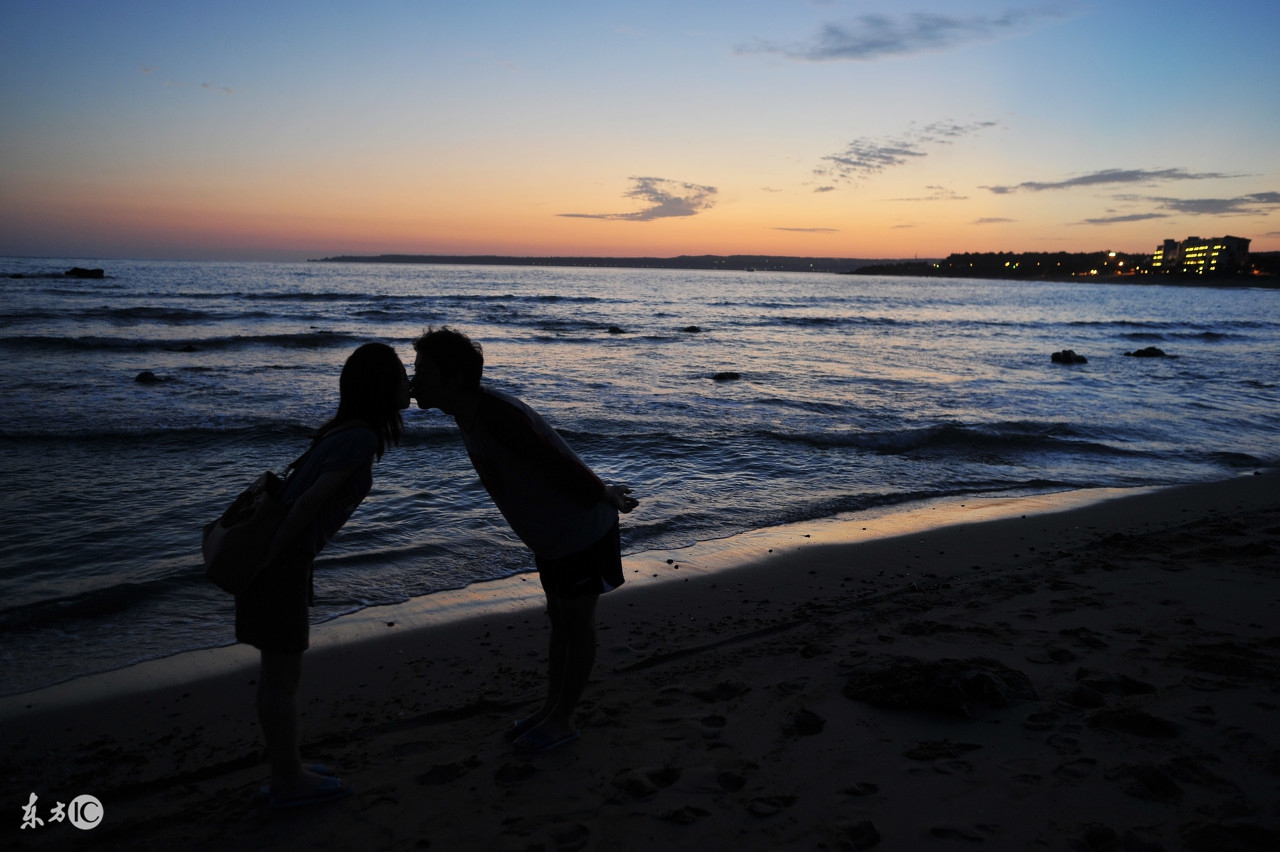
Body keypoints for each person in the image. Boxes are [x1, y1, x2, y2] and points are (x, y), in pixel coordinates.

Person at [411, 327, 638, 754]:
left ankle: (564, 720)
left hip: (580, 530)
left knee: (577, 625)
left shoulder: (496, 415)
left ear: (455, 378)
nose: (414, 379)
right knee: (560, 623)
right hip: (552, 536)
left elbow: (555, 462)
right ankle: (551, 709)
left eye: (423, 371)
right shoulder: (469, 411)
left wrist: (603, 493)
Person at [235, 342, 410, 808]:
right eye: (401, 376)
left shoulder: (346, 431)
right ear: (381, 387)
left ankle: (288, 768)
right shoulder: (361, 438)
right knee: (281, 677)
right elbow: (308, 502)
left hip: (286, 560)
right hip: (283, 562)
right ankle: (289, 782)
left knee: (277, 674)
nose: (409, 384)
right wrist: (271, 558)